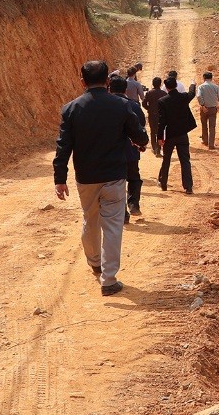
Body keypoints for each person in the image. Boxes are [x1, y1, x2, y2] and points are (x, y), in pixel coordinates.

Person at [53, 60, 148, 296]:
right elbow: (138, 135)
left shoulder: (71, 109)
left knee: (89, 219)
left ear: (82, 81)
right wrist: (141, 142)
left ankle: (94, 261)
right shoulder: (120, 105)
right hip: (114, 176)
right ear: (107, 81)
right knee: (113, 226)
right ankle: (109, 279)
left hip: (85, 177)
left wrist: (60, 177)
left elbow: (63, 146)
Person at [109, 77, 147, 221]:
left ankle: (123, 213)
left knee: (117, 182)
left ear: (109, 89)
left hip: (112, 152)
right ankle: (134, 204)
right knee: (134, 178)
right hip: (131, 149)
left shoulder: (106, 107)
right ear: (125, 90)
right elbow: (141, 125)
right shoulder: (134, 106)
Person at [157, 76, 198, 194]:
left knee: (166, 159)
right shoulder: (183, 97)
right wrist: (192, 83)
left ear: (166, 87)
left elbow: (161, 121)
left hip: (170, 135)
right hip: (182, 134)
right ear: (176, 85)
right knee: (185, 160)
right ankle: (188, 187)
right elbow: (191, 93)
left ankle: (163, 183)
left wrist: (159, 137)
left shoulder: (162, 101)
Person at [196, 71, 219, 149]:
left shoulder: (201, 87)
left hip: (204, 109)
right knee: (212, 127)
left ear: (204, 78)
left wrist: (202, 105)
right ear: (211, 78)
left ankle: (205, 141)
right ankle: (211, 145)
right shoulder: (216, 87)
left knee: (204, 125)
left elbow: (198, 96)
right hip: (213, 108)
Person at [142, 77, 167, 156]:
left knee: (153, 132)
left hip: (152, 115)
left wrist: (149, 109)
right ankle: (159, 149)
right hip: (161, 115)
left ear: (153, 84)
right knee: (160, 131)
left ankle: (154, 148)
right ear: (160, 84)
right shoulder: (164, 93)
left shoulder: (149, 93)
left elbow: (144, 103)